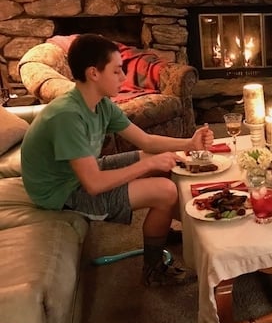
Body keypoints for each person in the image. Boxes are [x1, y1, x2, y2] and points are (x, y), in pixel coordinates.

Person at [20, 34, 214, 287]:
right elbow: (94, 185)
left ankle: (162, 230)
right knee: (165, 190)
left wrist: (189, 144)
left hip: (77, 174)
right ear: (94, 73)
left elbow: (146, 142)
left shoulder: (101, 104)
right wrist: (146, 166)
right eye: (117, 70)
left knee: (157, 161)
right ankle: (153, 271)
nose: (123, 78)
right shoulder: (67, 117)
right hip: (60, 192)